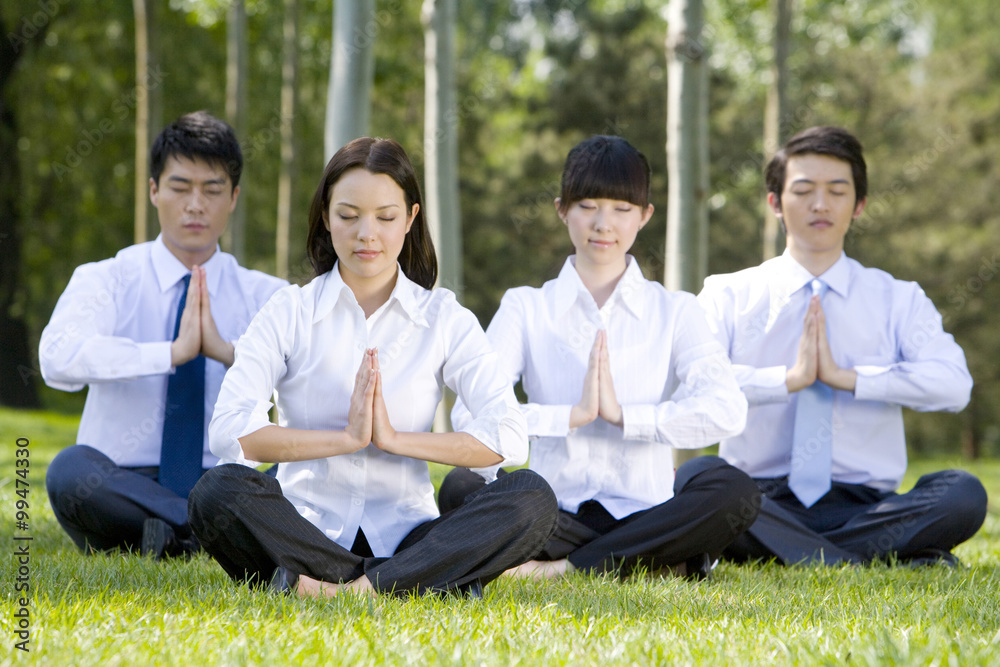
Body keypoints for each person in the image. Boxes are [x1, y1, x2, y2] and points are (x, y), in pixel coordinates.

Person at [187, 137, 557, 599]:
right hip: (305, 529)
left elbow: (508, 437)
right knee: (215, 492)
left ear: (410, 219)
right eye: (348, 215)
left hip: (407, 533)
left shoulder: (443, 317)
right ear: (325, 216)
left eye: (385, 217)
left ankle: (342, 589)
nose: (367, 234)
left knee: (531, 496)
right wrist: (344, 440)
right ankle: (424, 580)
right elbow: (229, 432)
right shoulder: (288, 311)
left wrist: (396, 441)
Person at [438, 135, 759, 581]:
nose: (603, 223)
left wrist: (626, 417)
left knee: (732, 489)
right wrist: (568, 416)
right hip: (553, 515)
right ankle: (656, 561)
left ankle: (562, 570)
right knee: (462, 486)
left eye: (622, 209)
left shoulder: (676, 309)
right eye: (587, 205)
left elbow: (727, 410)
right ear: (561, 209)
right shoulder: (525, 306)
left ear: (645, 216)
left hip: (646, 513)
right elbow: (472, 415)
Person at [697, 126, 988, 566]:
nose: (820, 204)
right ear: (775, 203)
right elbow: (694, 386)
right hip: (758, 501)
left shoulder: (898, 298)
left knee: (964, 494)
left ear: (860, 204)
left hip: (868, 506)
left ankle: (788, 553)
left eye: (837, 190)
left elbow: (953, 386)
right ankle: (880, 557)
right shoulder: (728, 294)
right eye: (803, 190)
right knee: (697, 478)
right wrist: (788, 380)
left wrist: (849, 379)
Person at [41, 111, 288, 559]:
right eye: (179, 187)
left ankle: (173, 536)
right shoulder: (106, 279)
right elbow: (57, 362)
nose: (195, 204)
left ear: (232, 197)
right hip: (120, 483)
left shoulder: (267, 294)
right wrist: (169, 354)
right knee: (68, 471)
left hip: (229, 481)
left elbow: (314, 377)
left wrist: (228, 352)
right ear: (154, 190)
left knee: (303, 473)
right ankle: (206, 534)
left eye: (212, 190)